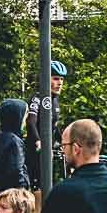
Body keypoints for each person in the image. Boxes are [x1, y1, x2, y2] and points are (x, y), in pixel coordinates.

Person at [23, 60, 67, 189]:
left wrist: (65, 142)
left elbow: (55, 126)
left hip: (49, 151)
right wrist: (38, 141)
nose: (59, 83)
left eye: (62, 79)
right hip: (35, 151)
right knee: (38, 188)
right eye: (55, 79)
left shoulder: (55, 100)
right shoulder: (38, 97)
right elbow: (31, 121)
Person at [0, 99, 31, 194]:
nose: (25, 122)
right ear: (16, 118)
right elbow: (17, 169)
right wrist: (24, 188)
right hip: (14, 193)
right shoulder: (15, 141)